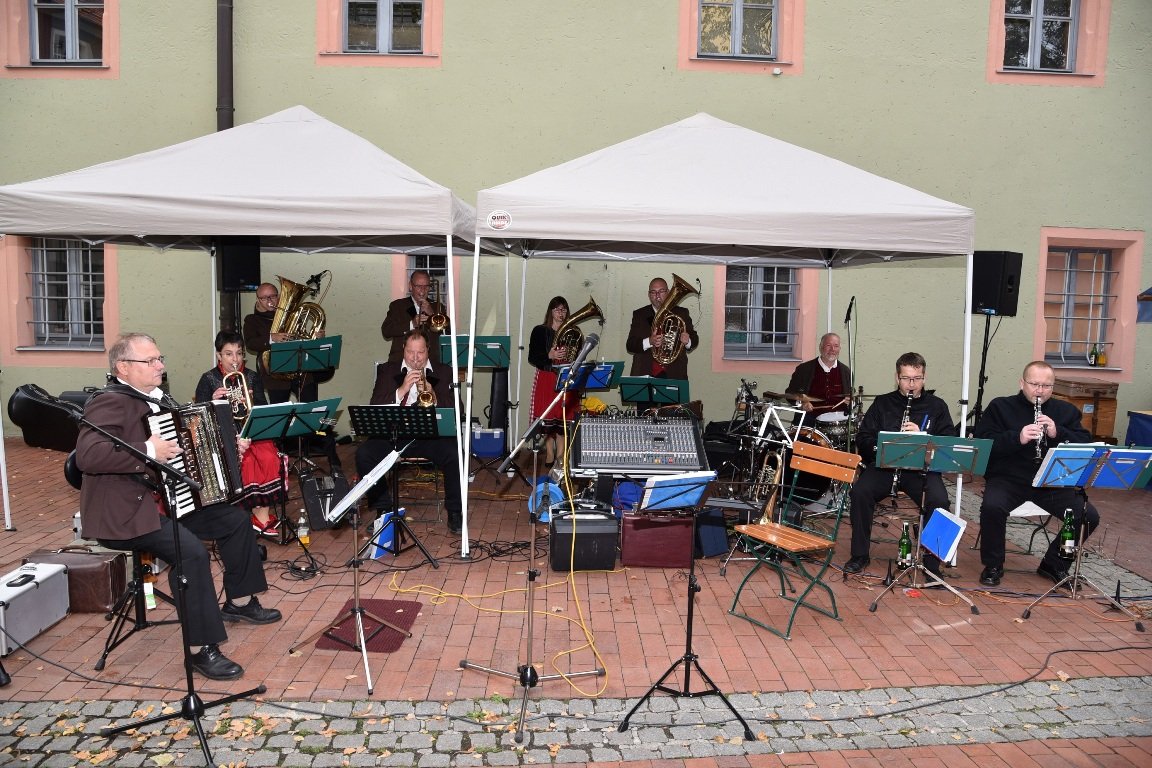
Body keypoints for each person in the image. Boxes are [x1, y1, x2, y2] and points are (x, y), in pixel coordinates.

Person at [75, 333, 281, 681]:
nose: (161, 365)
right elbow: (88, 456)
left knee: (234, 520)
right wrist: (148, 449)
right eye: (151, 361)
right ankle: (203, 651)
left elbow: (189, 447)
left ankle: (240, 602)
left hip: (171, 499)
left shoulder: (158, 399)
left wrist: (231, 448)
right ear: (123, 368)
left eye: (160, 358)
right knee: (191, 555)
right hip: (130, 511)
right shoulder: (110, 402)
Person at [972, 361, 1100, 587]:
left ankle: (1054, 565)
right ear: (1022, 383)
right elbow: (984, 445)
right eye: (1034, 384)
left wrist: (1056, 432)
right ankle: (993, 565)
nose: (1040, 390)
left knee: (1087, 515)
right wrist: (1017, 437)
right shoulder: (1000, 407)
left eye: (1046, 386)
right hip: (1008, 479)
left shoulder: (1065, 411)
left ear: (1053, 387)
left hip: (1050, 481)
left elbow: (1085, 444)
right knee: (992, 506)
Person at [843, 352, 954, 575]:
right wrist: (884, 445)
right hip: (885, 466)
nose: (911, 384)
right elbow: (863, 437)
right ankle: (859, 555)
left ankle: (932, 565)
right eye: (906, 378)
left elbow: (948, 443)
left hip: (921, 470)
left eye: (917, 378)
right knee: (860, 492)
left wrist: (922, 436)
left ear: (924, 377)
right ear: (897, 377)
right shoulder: (883, 403)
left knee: (940, 500)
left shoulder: (937, 406)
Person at [355, 330, 464, 534]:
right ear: (403, 350)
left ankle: (455, 512)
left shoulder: (444, 371)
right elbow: (375, 404)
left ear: (428, 351)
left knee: (455, 454)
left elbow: (459, 409)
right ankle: (384, 509)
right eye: (410, 352)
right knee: (364, 454)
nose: (415, 358)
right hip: (395, 435)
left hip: (430, 436)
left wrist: (433, 395)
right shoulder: (387, 371)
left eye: (420, 353)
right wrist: (402, 390)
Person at [194, 330, 287, 536]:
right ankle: (240, 517)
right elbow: (197, 416)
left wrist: (252, 402)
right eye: (228, 354)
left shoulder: (252, 376)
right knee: (244, 461)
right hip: (225, 435)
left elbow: (264, 408)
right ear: (219, 355)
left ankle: (261, 517)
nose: (235, 359)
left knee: (268, 457)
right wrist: (213, 400)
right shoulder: (209, 378)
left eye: (238, 353)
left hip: (251, 431)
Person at [625, 277, 699, 414]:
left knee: (672, 420)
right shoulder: (639, 314)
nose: (657, 296)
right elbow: (630, 345)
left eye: (661, 291)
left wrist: (687, 340)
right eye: (653, 292)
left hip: (673, 374)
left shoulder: (682, 313)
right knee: (644, 419)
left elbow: (694, 340)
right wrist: (649, 341)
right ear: (649, 295)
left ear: (669, 292)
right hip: (646, 374)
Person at [527, 296, 582, 468]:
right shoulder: (540, 331)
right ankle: (550, 452)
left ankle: (560, 455)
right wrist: (549, 356)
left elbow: (579, 356)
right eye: (557, 309)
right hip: (547, 376)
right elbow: (533, 357)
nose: (561, 313)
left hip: (566, 376)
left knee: (563, 417)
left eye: (564, 309)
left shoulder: (574, 332)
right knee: (548, 417)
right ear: (550, 312)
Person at [380, 269, 451, 364]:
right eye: (418, 286)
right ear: (410, 286)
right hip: (400, 362)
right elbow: (386, 331)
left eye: (426, 286)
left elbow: (447, 335)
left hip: (431, 363)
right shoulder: (398, 306)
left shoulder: (438, 307)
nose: (423, 290)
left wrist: (432, 314)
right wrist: (411, 324)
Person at [785, 333, 852, 419]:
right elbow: (790, 394)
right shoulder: (804, 369)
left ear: (839, 349)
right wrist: (802, 404)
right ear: (821, 347)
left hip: (838, 420)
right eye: (828, 345)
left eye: (836, 346)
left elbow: (852, 394)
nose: (832, 349)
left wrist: (850, 400)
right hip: (810, 418)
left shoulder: (846, 371)